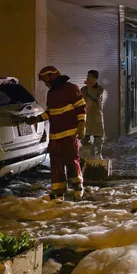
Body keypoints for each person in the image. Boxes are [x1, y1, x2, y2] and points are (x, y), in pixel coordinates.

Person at [25, 66, 86, 199]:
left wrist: (81, 125)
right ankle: (58, 191)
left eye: (45, 80)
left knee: (71, 160)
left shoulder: (72, 88)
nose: (45, 84)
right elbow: (51, 112)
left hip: (69, 133)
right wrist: (37, 119)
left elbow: (81, 107)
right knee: (56, 163)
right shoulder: (51, 93)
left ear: (51, 77)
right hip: (55, 135)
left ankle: (77, 186)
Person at [81, 70, 105, 159]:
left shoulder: (100, 89)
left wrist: (89, 88)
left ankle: (98, 155)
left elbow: (96, 99)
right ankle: (87, 157)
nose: (87, 78)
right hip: (86, 116)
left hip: (96, 116)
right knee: (85, 138)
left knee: (98, 138)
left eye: (89, 76)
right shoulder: (83, 89)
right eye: (87, 76)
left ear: (95, 78)